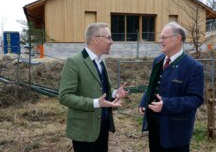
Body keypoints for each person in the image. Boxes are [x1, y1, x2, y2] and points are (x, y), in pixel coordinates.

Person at [58, 22, 128, 152]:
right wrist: (96, 103)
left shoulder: (101, 61)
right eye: (108, 37)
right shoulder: (74, 62)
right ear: (96, 39)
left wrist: (113, 93)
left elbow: (99, 88)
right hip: (84, 130)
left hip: (102, 126)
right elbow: (64, 97)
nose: (111, 41)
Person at [138, 22, 204, 152]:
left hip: (176, 132)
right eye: (160, 37)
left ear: (177, 38)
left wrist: (166, 104)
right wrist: (144, 101)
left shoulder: (193, 67)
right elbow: (152, 85)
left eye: (164, 37)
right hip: (155, 127)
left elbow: (196, 99)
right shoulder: (158, 61)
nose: (160, 41)